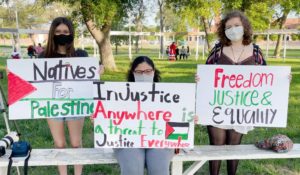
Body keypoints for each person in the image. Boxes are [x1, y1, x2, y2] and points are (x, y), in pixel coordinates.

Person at [204, 11, 267, 175]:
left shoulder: (256, 52)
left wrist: (283, 79)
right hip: (217, 106)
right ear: (223, 31)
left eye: (237, 25)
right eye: (229, 27)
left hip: (241, 109)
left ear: (244, 27)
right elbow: (206, 74)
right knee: (216, 149)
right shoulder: (217, 51)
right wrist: (200, 78)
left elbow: (267, 79)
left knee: (234, 149)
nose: (233, 29)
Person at [38, 17, 89, 175]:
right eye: (58, 31)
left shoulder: (81, 55)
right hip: (52, 105)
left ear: (71, 33)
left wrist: (96, 71)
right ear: (53, 33)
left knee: (76, 142)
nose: (62, 34)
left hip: (75, 104)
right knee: (59, 143)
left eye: (65, 32)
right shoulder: (43, 57)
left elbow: (89, 81)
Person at [114, 56, 174, 175]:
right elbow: (111, 118)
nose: (143, 75)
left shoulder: (168, 95)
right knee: (132, 171)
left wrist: (189, 119)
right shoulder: (119, 94)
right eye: (139, 72)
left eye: (147, 71)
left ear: (154, 72)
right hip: (129, 141)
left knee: (159, 171)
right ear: (133, 73)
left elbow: (176, 118)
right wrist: (100, 120)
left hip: (159, 140)